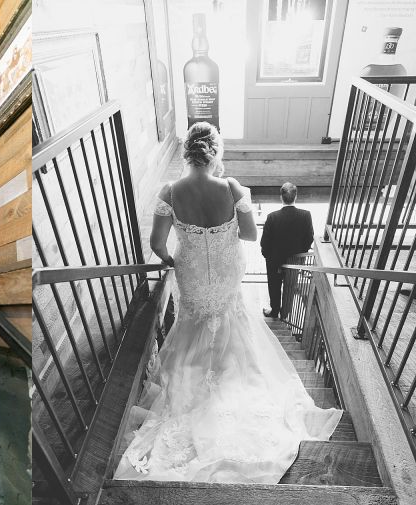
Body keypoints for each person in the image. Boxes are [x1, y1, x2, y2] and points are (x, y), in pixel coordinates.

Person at [114, 122, 341, 483]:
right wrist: (224, 228)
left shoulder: (170, 191)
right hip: (225, 272)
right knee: (231, 321)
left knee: (193, 324)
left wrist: (174, 259)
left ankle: (200, 380)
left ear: (188, 152)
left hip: (191, 274)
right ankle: (224, 373)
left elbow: (157, 245)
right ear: (215, 152)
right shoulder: (232, 188)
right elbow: (250, 234)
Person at [260, 182, 314, 318]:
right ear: (295, 197)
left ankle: (274, 311)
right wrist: (300, 254)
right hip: (294, 260)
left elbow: (264, 241)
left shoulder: (272, 216)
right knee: (290, 287)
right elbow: (309, 238)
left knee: (274, 286)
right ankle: (285, 313)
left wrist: (267, 255)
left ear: (281, 197)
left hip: (274, 260)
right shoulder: (306, 215)